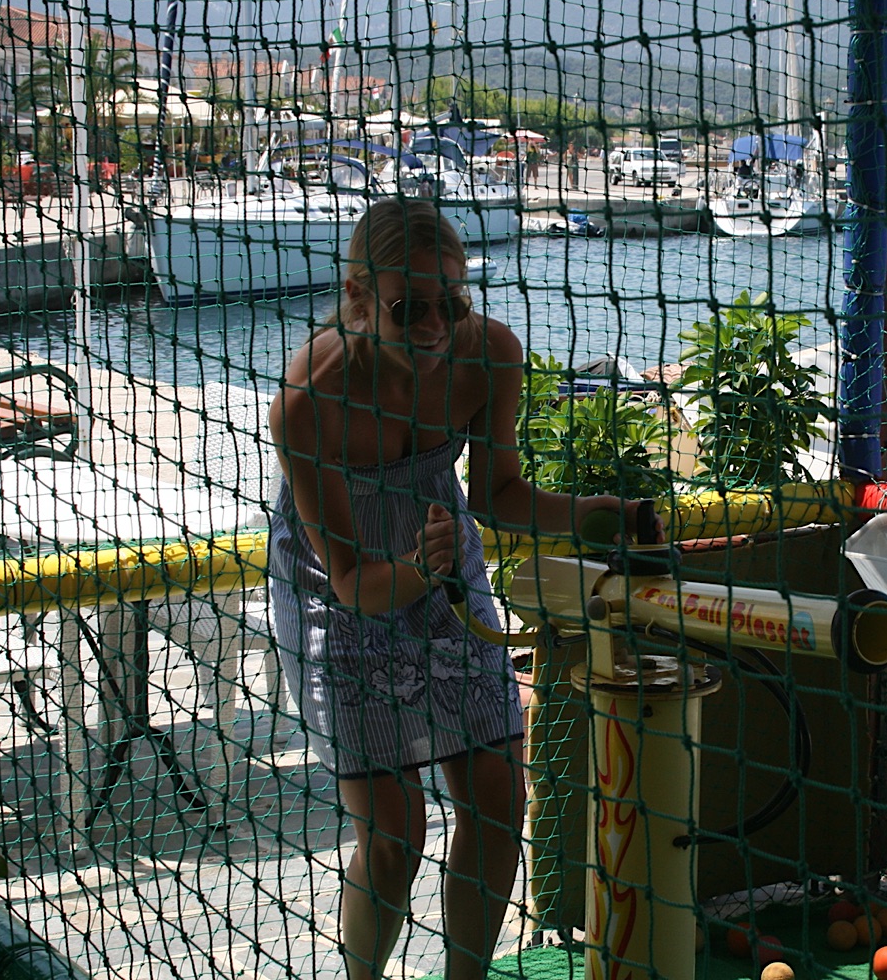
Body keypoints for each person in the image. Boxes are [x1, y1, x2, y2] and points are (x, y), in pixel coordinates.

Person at [267, 198, 659, 980]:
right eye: (408, 307)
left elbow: (498, 494)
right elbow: (348, 580)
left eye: (452, 303)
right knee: (394, 837)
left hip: (443, 566)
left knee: (498, 804)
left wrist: (601, 514)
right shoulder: (310, 401)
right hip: (340, 595)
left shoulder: (489, 355)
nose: (435, 326)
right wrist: (424, 566)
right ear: (357, 297)